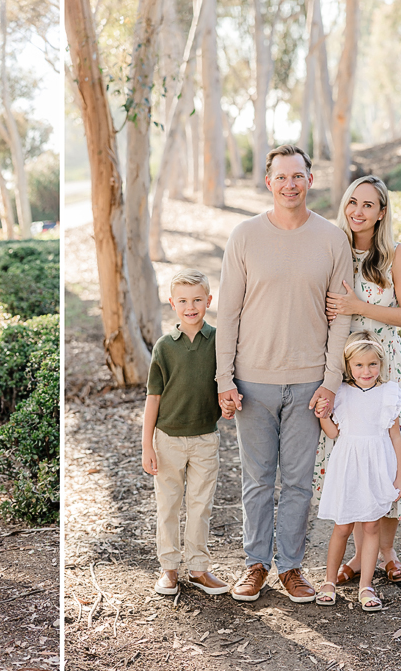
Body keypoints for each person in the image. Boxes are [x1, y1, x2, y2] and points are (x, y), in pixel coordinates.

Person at [216, 144, 353, 603]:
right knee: (256, 480)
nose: (290, 184)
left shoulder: (332, 239)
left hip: (310, 382)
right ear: (269, 182)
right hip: (252, 382)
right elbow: (229, 312)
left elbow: (341, 318)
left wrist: (332, 381)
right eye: (281, 176)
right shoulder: (245, 236)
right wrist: (224, 378)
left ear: (310, 180)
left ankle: (291, 567)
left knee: (297, 482)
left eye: (298, 176)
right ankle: (255, 564)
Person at [313, 175, 401, 585]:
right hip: (343, 364)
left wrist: (360, 306)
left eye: (368, 205)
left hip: (386, 363)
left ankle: (386, 552)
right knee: (353, 449)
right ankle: (361, 556)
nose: (357, 211)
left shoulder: (395, 255)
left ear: (381, 212)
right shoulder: (332, 248)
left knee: (388, 449)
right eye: (352, 202)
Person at [141, 270, 228, 596]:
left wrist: (230, 405)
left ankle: (198, 568)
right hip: (168, 440)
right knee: (168, 505)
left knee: (201, 504)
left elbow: (228, 383)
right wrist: (147, 444)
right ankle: (169, 568)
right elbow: (153, 398)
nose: (190, 307)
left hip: (206, 437)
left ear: (208, 301)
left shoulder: (219, 340)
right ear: (172, 304)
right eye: (182, 301)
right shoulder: (164, 347)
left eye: (196, 300)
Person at [314, 332, 401, 612]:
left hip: (377, 465)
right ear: (348, 367)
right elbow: (333, 432)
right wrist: (322, 415)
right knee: (342, 526)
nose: (366, 371)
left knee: (371, 525)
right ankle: (329, 581)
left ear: (380, 364)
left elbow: (395, 437)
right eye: (359, 365)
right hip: (348, 465)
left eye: (372, 365)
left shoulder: (388, 393)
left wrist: (399, 476)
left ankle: (366, 585)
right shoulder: (341, 392)